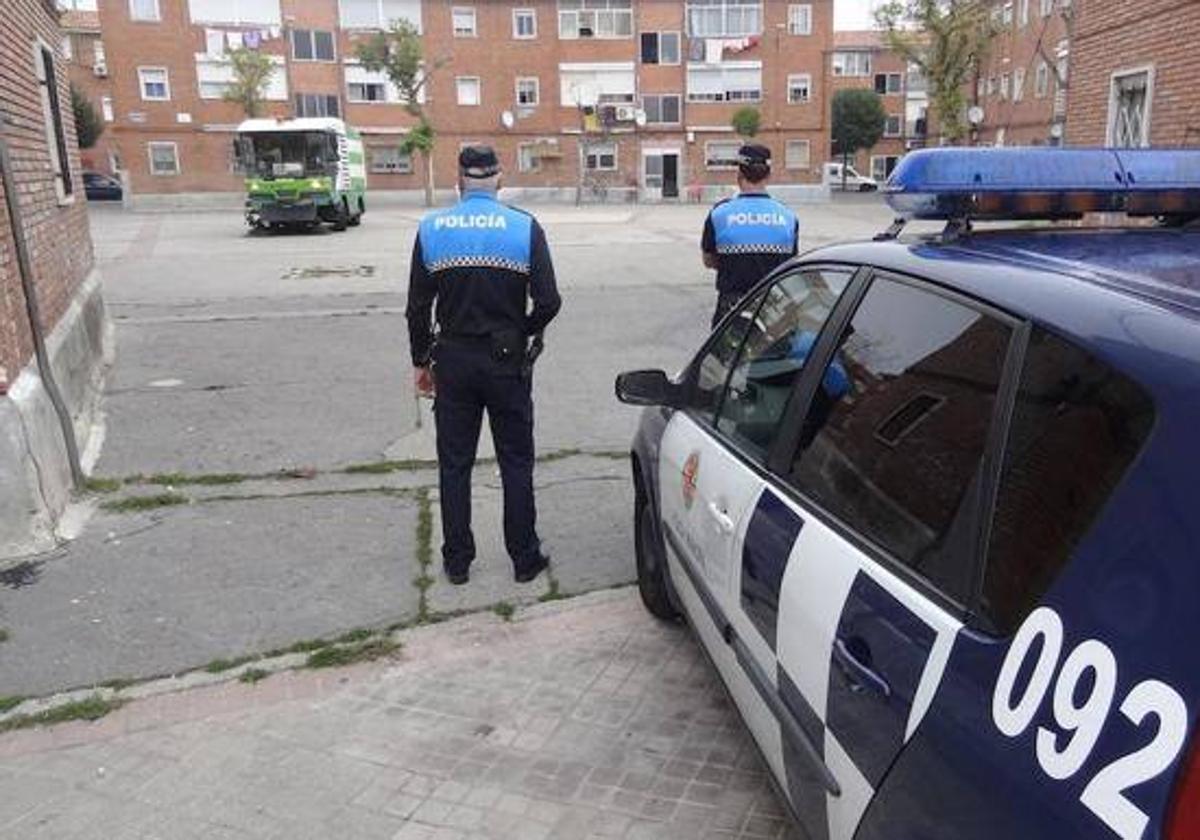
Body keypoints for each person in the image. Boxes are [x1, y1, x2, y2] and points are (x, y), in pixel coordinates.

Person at [406, 146, 561, 586]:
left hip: (452, 360)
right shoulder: (524, 227)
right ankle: (524, 559)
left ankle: (457, 562)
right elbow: (550, 301)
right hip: (506, 362)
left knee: (454, 463)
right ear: (499, 180)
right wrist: (522, 330)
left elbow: (417, 307)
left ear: (458, 182)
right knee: (515, 460)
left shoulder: (432, 228)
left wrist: (422, 361)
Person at [701, 144, 800, 328]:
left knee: (726, 355)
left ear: (739, 175)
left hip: (731, 311)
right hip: (774, 312)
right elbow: (790, 265)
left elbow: (709, 261)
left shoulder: (719, 214)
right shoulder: (788, 217)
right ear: (768, 175)